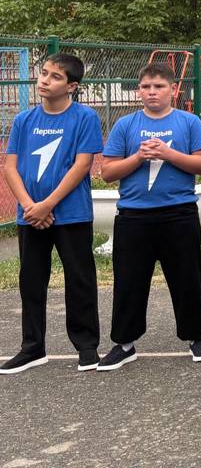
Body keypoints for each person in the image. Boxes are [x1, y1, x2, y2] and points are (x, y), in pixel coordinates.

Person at [96, 64, 201, 372]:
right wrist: (138, 156)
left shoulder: (189, 122)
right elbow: (107, 172)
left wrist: (167, 154)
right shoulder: (125, 125)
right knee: (129, 282)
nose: (152, 92)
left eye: (159, 86)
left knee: (187, 279)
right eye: (146, 86)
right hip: (134, 216)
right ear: (139, 90)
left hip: (179, 214)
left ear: (173, 90)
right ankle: (124, 343)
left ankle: (196, 337)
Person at [0, 54, 104, 375]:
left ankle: (87, 347)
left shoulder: (84, 118)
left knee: (80, 279)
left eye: (54, 77)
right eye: (43, 73)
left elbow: (81, 166)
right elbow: (10, 167)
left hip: (71, 215)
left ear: (72, 86)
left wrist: (48, 205)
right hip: (30, 215)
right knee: (31, 281)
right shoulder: (24, 121)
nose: (44, 80)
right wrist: (32, 206)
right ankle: (33, 347)